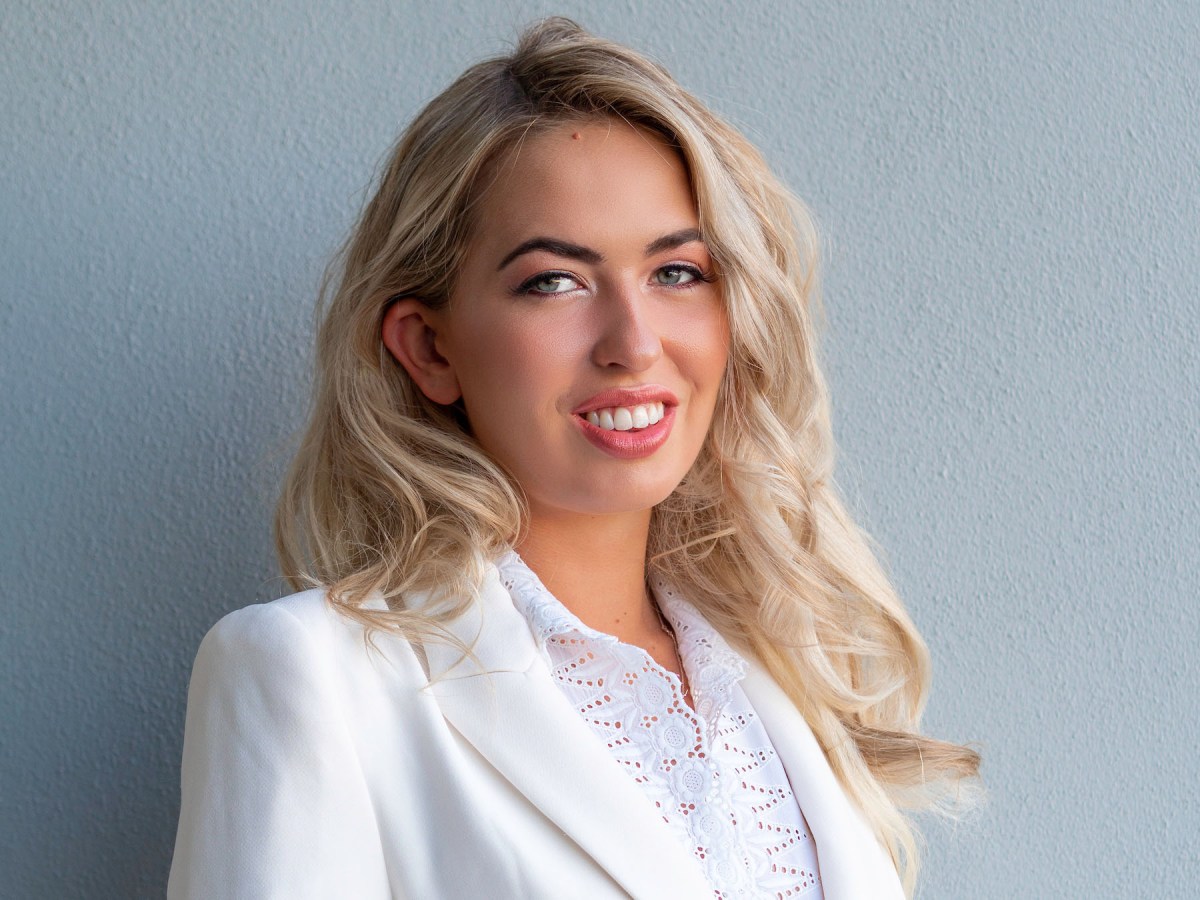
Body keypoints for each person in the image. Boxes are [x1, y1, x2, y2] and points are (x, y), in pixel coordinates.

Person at [168, 17, 979, 900]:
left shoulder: (788, 679)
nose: (633, 344)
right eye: (554, 281)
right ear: (429, 347)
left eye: (677, 273)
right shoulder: (309, 676)